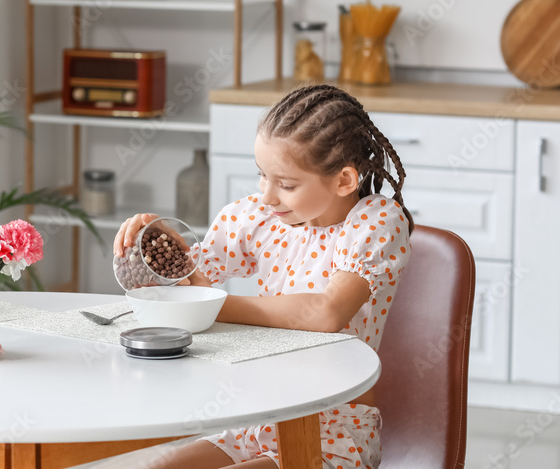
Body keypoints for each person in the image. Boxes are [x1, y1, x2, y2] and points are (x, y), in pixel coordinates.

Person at [112, 84, 415, 469]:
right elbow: (191, 283)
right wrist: (154, 243)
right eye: (262, 176)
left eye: (286, 184)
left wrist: (212, 307)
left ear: (343, 181)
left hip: (330, 432)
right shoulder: (258, 217)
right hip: (254, 420)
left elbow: (325, 313)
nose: (268, 196)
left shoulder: (375, 222)